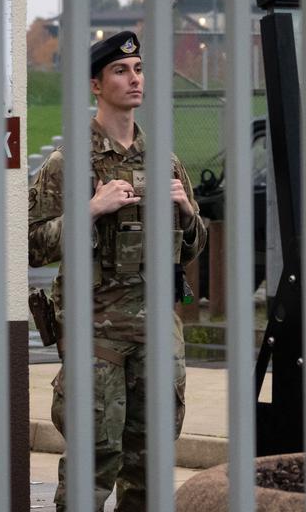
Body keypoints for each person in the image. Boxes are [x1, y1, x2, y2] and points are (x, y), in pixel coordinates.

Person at [28, 30, 207, 511]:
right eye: (120, 70)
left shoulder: (164, 160)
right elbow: (27, 245)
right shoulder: (68, 164)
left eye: (140, 69)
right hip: (96, 339)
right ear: (95, 84)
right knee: (95, 461)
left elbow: (192, 249)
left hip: (157, 337)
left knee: (149, 466)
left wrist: (189, 214)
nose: (134, 79)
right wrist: (87, 209)